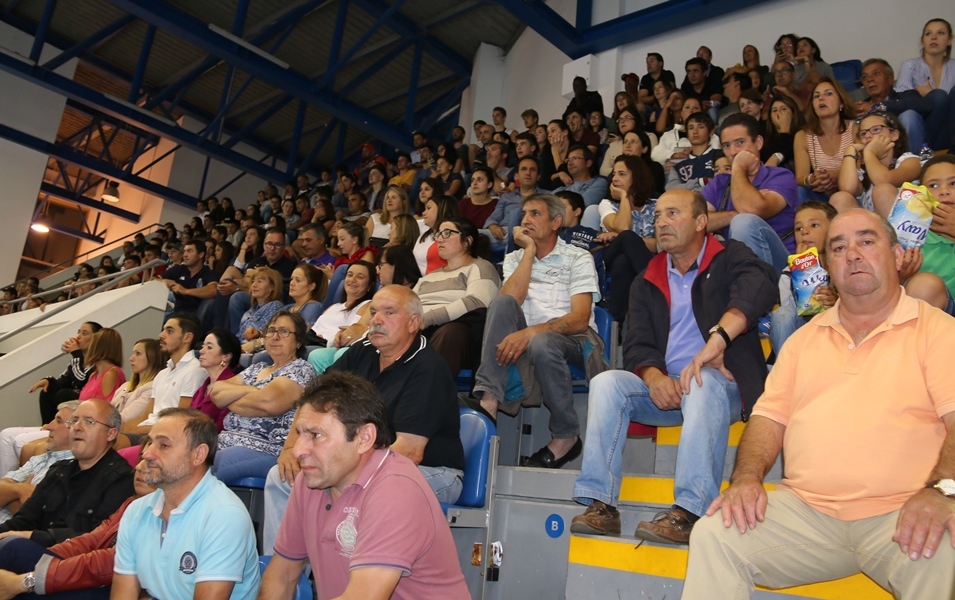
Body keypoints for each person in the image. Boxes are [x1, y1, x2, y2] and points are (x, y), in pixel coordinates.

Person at [683, 208, 955, 599]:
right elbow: (767, 418)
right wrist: (745, 480)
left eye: (867, 241)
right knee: (715, 533)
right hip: (807, 514)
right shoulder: (803, 341)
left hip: (903, 511)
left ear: (897, 256)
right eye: (839, 247)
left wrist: (941, 491)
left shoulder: (938, 331)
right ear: (828, 267)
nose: (853, 254)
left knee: (944, 544)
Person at [571, 189, 776, 543]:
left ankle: (689, 510)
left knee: (703, 381)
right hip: (670, 388)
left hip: (723, 386)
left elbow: (760, 285)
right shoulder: (647, 277)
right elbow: (636, 344)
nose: (661, 222)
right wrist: (652, 377)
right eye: (658, 216)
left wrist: (719, 340)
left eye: (672, 214)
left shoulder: (729, 256)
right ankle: (600, 505)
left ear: (700, 222)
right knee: (606, 383)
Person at [258, 371, 468, 599]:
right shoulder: (310, 481)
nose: (298, 450)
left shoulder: (395, 491)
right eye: (300, 434)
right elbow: (282, 575)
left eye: (316, 435)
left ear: (364, 438)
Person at [472, 194, 607, 469]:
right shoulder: (516, 258)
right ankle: (489, 401)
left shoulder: (578, 257)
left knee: (543, 342)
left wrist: (531, 333)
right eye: (524, 214)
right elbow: (509, 300)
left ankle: (566, 436)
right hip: (527, 341)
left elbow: (581, 319)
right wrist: (530, 253)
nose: (525, 220)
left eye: (535, 214)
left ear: (556, 222)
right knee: (501, 302)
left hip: (574, 341)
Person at [113, 408, 260, 599]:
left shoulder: (224, 515)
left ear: (198, 455)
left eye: (164, 445)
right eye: (150, 442)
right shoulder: (136, 510)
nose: (147, 454)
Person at [0, 400, 133, 547]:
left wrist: (34, 536)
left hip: (70, 562)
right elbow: (22, 522)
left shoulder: (122, 479)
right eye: (74, 421)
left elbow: (99, 540)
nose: (77, 427)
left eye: (89, 422)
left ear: (111, 433)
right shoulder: (58, 471)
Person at [210, 311, 315, 482]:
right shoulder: (256, 368)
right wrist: (255, 391)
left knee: (201, 472)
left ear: (299, 342)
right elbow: (216, 393)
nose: (275, 336)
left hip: (265, 449)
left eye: (284, 331)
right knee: (179, 460)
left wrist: (234, 398)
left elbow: (267, 403)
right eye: (271, 331)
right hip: (224, 442)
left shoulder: (301, 370)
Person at [702, 113, 799, 274]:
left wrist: (739, 167)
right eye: (726, 145)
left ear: (758, 142)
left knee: (744, 222)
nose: (733, 151)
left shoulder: (780, 176)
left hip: (783, 266)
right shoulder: (718, 184)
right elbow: (698, 222)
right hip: (738, 264)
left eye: (740, 142)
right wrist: (735, 213)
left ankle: (757, 294)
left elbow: (754, 211)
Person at [413, 217, 501, 375]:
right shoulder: (427, 277)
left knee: (452, 332)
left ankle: (430, 392)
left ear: (467, 241)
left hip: (459, 337)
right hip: (420, 329)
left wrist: (428, 318)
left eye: (447, 233)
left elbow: (478, 302)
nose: (439, 239)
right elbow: (407, 303)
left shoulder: (480, 267)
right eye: (438, 234)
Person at [116, 314, 207, 452]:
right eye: (163, 330)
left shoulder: (195, 371)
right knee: (103, 438)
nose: (161, 335)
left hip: (166, 435)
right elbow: (146, 415)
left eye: (169, 331)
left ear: (187, 337)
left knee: (113, 444)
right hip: (148, 430)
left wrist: (134, 429)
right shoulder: (162, 374)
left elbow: (181, 419)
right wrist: (121, 428)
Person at [768, 201, 839, 354]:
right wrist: (804, 271)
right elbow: (792, 316)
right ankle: (784, 373)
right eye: (798, 228)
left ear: (834, 229)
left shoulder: (847, 264)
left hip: (839, 336)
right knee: (782, 314)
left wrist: (838, 302)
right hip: (804, 338)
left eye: (814, 225)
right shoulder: (788, 273)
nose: (804, 232)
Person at [0, 402, 77, 524]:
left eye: (58, 421)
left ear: (77, 429)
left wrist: (10, 495)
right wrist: (21, 490)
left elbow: (39, 521)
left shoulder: (75, 468)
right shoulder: (41, 458)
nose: (50, 426)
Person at [830, 111, 921, 215]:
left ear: (894, 135)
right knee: (840, 198)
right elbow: (847, 188)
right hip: (873, 225)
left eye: (876, 129)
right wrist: (850, 151)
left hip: (904, 224)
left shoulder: (910, 161)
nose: (868, 135)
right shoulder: (863, 170)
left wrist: (869, 152)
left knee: (882, 190)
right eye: (863, 133)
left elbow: (883, 180)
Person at [894, 18, 955, 151]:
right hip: (920, 130)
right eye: (928, 34)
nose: (933, 37)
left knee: (941, 96)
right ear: (923, 41)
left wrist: (928, 93)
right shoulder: (909, 65)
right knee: (909, 114)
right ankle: (917, 159)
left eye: (940, 33)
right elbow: (904, 102)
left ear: (950, 39)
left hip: (948, 132)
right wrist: (934, 97)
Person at [855, 58, 939, 154]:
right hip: (875, 154)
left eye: (876, 73)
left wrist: (878, 106)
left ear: (890, 79)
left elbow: (926, 105)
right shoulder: (860, 107)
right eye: (865, 77)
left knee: (909, 115)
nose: (869, 79)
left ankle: (912, 162)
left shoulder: (906, 96)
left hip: (908, 150)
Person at [794, 78, 858, 203]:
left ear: (841, 103)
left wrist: (836, 174)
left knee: (841, 198)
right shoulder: (802, 136)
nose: (821, 98)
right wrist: (812, 179)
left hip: (852, 194)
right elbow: (800, 178)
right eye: (816, 96)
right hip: (821, 196)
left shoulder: (856, 129)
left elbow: (863, 170)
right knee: (799, 192)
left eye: (828, 93)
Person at [306, 262, 376, 373]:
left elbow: (355, 331)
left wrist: (328, 340)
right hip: (313, 341)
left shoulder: (369, 305)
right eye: (350, 275)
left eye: (360, 277)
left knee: (330, 354)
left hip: (334, 345)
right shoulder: (334, 306)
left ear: (370, 286)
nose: (353, 279)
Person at [30, 322, 101, 424]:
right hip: (76, 401)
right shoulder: (77, 360)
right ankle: (47, 428)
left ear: (96, 339)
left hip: (88, 403)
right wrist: (49, 381)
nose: (78, 337)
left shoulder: (98, 362)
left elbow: (81, 381)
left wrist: (76, 354)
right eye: (78, 332)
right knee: (47, 392)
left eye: (84, 333)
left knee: (64, 395)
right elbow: (63, 381)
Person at [486, 156, 546, 251]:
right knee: (471, 235)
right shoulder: (507, 197)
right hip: (502, 234)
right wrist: (493, 226)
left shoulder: (546, 197)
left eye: (532, 170)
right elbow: (493, 218)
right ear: (517, 176)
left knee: (516, 213)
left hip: (530, 234)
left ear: (538, 176)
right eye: (524, 169)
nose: (528, 173)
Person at [192, 328, 242, 432]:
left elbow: (223, 426)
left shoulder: (233, 386)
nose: (201, 351)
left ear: (226, 356)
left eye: (209, 347)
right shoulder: (203, 388)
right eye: (203, 346)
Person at [651, 97, 720, 170]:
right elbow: (655, 155)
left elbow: (716, 158)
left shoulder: (712, 136)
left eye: (696, 108)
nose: (691, 110)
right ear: (681, 113)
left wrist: (695, 152)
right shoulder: (668, 135)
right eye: (687, 107)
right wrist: (674, 155)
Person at [108, 338, 163, 425]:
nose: (131, 358)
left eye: (138, 353)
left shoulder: (151, 388)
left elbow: (126, 418)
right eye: (132, 353)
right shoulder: (125, 386)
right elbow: (108, 410)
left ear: (152, 358)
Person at [665, 111, 721, 192]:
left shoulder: (720, 155)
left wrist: (688, 187)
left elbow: (724, 182)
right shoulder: (678, 166)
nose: (695, 131)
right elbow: (670, 189)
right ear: (687, 134)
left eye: (701, 127)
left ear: (711, 132)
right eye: (691, 128)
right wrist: (701, 182)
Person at [161, 241, 219, 317]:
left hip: (198, 313)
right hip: (178, 312)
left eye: (189, 251)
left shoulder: (208, 272)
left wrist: (185, 291)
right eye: (184, 251)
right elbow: (155, 279)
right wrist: (163, 281)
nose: (185, 255)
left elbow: (213, 289)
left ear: (201, 254)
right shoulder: (178, 269)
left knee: (211, 301)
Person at [235, 267, 284, 344]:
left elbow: (267, 332)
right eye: (253, 281)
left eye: (259, 281)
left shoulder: (275, 306)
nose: (254, 285)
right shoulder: (251, 310)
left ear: (272, 287)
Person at [413, 195, 458, 275]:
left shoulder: (453, 236)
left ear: (442, 209)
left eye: (429, 208)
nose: (423, 213)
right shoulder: (423, 236)